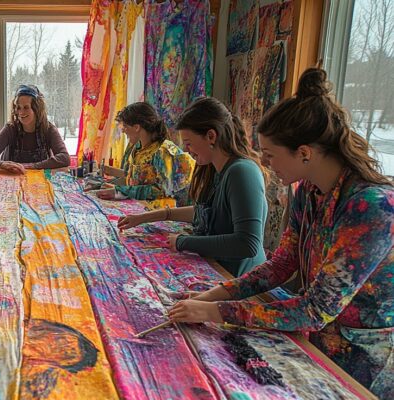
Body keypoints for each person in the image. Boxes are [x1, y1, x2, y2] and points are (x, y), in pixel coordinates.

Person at [167, 69, 394, 398]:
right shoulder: (308, 191)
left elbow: (316, 310)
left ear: (305, 152)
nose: (265, 163)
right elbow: (280, 265)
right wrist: (214, 294)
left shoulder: (372, 207)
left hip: (365, 357)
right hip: (318, 337)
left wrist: (215, 312)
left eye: (270, 155)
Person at [118, 97, 268, 276]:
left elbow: (247, 244)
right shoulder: (215, 169)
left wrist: (183, 242)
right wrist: (144, 217)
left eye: (188, 143)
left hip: (238, 277)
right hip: (218, 266)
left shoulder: (242, 172)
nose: (187, 150)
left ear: (211, 136)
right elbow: (205, 212)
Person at [96, 102, 194, 209]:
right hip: (139, 207)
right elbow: (139, 178)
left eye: (125, 126)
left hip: (163, 213)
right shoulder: (137, 148)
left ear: (137, 127)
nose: (123, 130)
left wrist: (120, 191)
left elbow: (160, 190)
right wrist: (111, 175)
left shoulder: (162, 151)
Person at [0, 85, 70, 173]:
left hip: (39, 182)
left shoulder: (48, 129)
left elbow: (64, 158)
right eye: (18, 108)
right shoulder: (10, 129)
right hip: (11, 181)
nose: (21, 112)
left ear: (36, 109)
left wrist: (33, 166)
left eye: (26, 107)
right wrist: (1, 163)